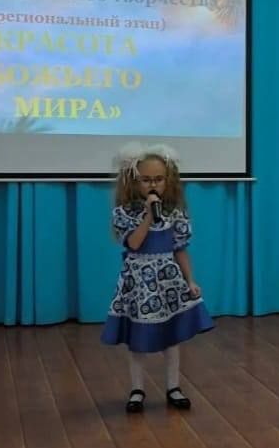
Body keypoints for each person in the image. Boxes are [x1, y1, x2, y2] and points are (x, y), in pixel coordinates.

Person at [100, 143, 214, 412]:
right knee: (137, 338)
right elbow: (134, 243)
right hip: (139, 282)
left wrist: (190, 280)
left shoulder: (174, 213)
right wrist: (149, 217)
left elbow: (180, 250)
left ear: (168, 180)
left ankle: (173, 387)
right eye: (146, 180)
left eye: (159, 179)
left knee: (171, 337)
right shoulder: (125, 212)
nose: (153, 184)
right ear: (134, 181)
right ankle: (137, 389)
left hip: (167, 281)